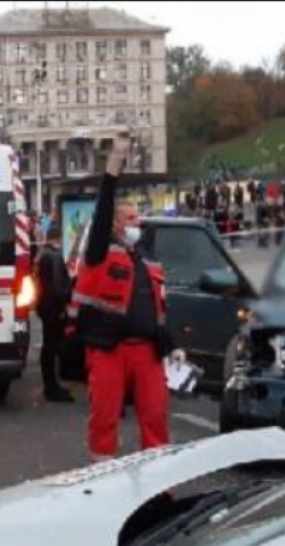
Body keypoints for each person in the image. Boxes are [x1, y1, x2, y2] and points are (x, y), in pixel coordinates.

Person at [74, 134, 183, 461]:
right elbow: (103, 210)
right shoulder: (99, 253)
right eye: (130, 219)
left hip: (147, 351)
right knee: (105, 417)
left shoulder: (147, 261)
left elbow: (157, 310)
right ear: (114, 226)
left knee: (155, 415)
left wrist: (172, 345)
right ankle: (102, 474)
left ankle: (158, 478)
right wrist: (114, 165)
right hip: (110, 349)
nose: (138, 223)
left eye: (138, 217)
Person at [35, 221, 73, 404]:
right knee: (53, 347)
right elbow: (59, 287)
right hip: (54, 308)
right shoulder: (55, 256)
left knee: (48, 347)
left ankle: (50, 385)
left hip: (44, 305)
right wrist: (66, 299)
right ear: (59, 238)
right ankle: (52, 387)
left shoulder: (43, 255)